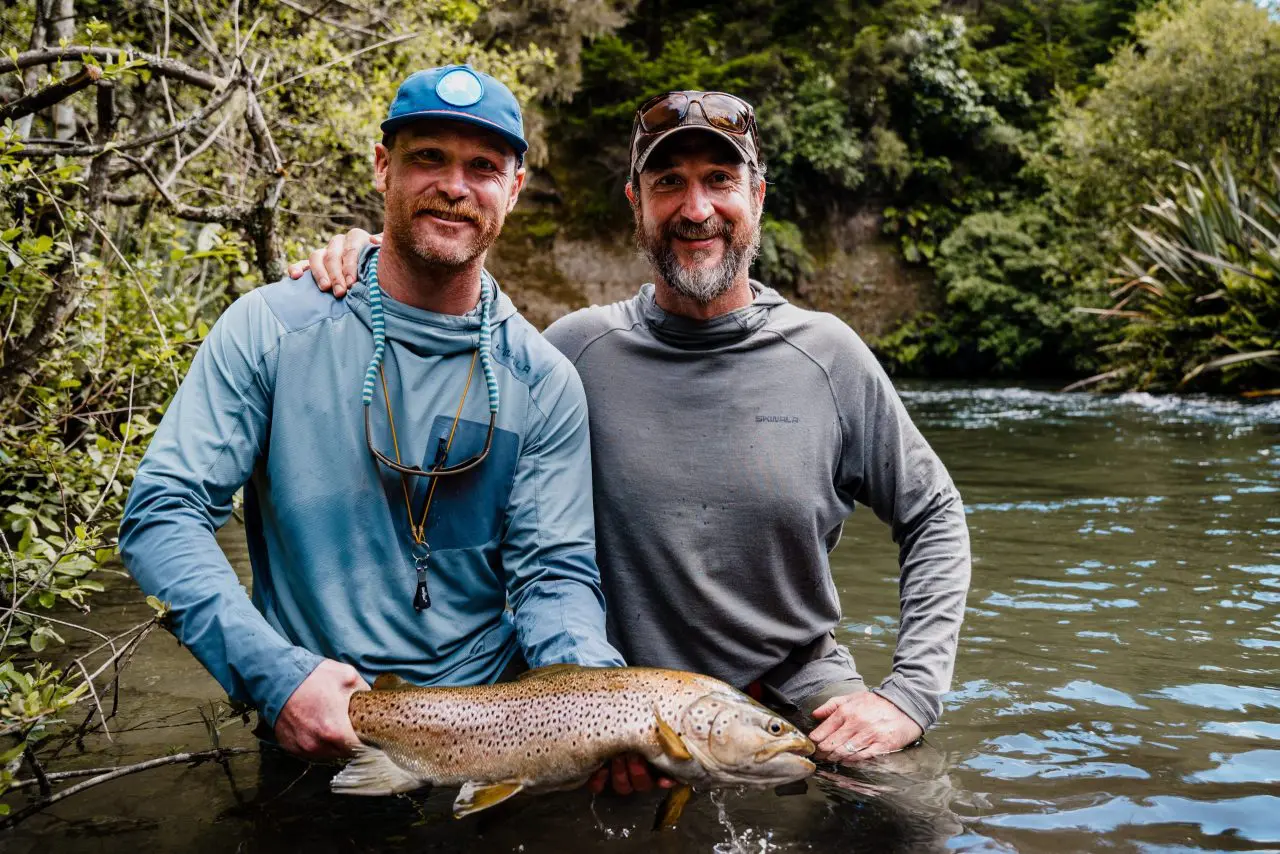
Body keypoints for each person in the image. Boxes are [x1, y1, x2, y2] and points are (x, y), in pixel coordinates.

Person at [294, 90, 971, 785]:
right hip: (595, 705)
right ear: (635, 203)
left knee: (904, 811)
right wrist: (378, 259)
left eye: (719, 180)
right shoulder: (571, 355)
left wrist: (910, 695)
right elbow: (454, 311)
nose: (696, 208)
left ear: (758, 196)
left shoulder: (831, 357)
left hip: (790, 688)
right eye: (667, 183)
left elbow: (935, 515)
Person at [119, 65, 624, 762]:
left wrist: (598, 700)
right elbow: (163, 514)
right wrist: (275, 676)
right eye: (427, 158)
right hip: (311, 726)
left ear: (513, 189)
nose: (453, 185)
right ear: (383, 167)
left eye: (482, 166)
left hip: (490, 739)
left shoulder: (544, 382)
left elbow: (553, 575)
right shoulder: (271, 330)